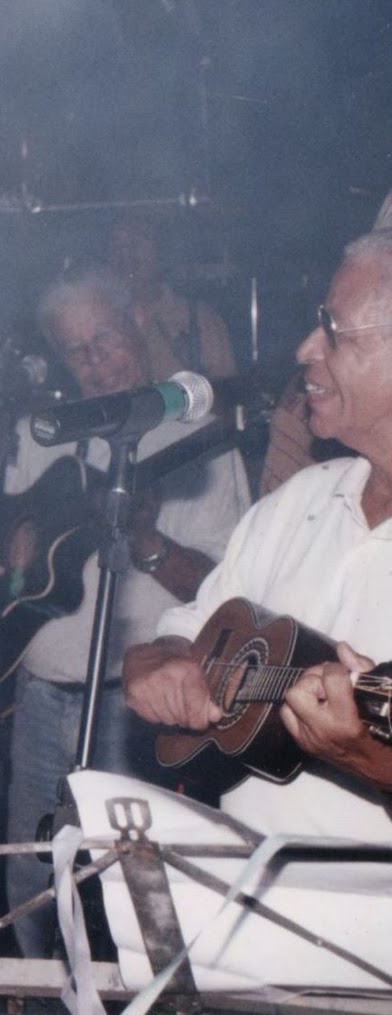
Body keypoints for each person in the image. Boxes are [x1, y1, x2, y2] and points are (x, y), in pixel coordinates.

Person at [0, 267, 251, 957]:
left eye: (106, 338)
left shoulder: (198, 439)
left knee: (139, 896)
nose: (96, 362)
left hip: (139, 709)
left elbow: (229, 594)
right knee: (34, 881)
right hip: (38, 697)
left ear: (138, 324)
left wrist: (149, 544)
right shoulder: (43, 434)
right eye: (77, 350)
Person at [124, 230, 392, 843]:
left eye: (333, 331)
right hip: (238, 881)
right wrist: (155, 665)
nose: (304, 349)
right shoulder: (301, 500)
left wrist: (365, 757)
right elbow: (181, 635)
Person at [106, 213, 239, 383]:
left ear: (161, 250)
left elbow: (225, 391)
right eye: (117, 244)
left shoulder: (199, 318)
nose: (127, 252)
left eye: (139, 239)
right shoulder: (96, 323)